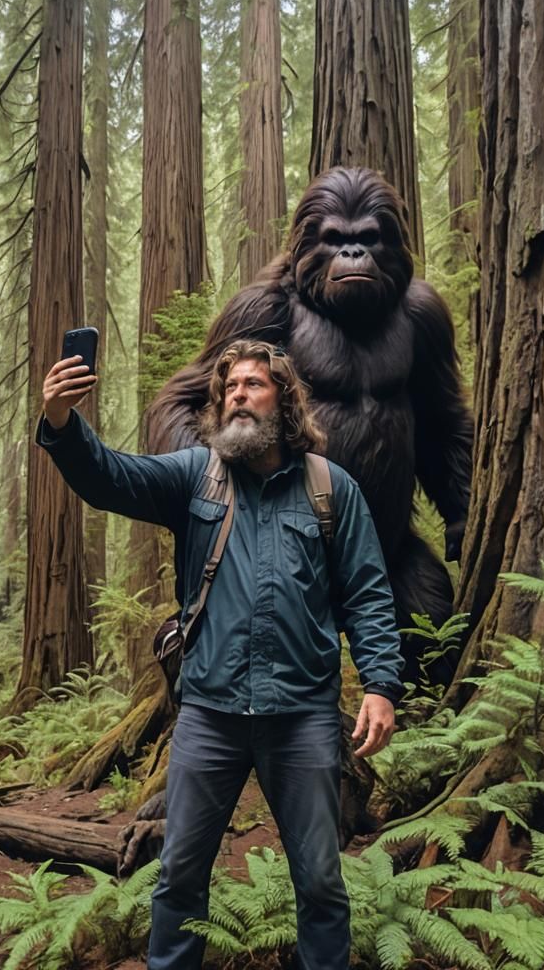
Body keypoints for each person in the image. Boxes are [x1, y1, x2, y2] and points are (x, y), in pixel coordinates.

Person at [37, 338, 403, 970]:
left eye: (253, 385)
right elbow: (111, 479)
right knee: (179, 875)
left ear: (284, 402)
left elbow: (368, 592)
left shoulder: (329, 488)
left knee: (320, 879)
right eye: (229, 387)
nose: (237, 395)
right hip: (210, 714)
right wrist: (62, 422)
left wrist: (380, 685)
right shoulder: (195, 476)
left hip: (303, 717)